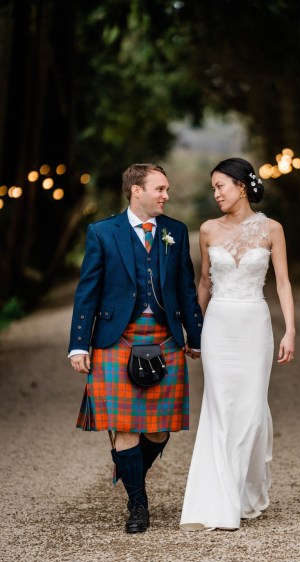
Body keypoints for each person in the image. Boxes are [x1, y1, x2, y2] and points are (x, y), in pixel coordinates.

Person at [68, 163, 202, 534]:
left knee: (159, 429)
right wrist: (79, 344)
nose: (166, 196)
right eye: (160, 189)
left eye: (167, 189)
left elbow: (186, 289)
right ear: (136, 191)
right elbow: (87, 292)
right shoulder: (102, 232)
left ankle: (127, 467)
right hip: (116, 337)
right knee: (125, 425)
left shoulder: (174, 231)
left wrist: (196, 335)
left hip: (165, 335)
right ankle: (137, 505)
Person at [180, 157, 295, 531]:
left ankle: (243, 490)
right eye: (213, 188)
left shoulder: (272, 229)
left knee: (249, 409)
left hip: (254, 326)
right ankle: (217, 500)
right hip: (218, 328)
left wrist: (290, 330)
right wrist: (193, 331)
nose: (216, 194)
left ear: (241, 186)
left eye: (220, 186)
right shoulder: (208, 230)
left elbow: (282, 284)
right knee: (219, 409)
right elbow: (204, 284)